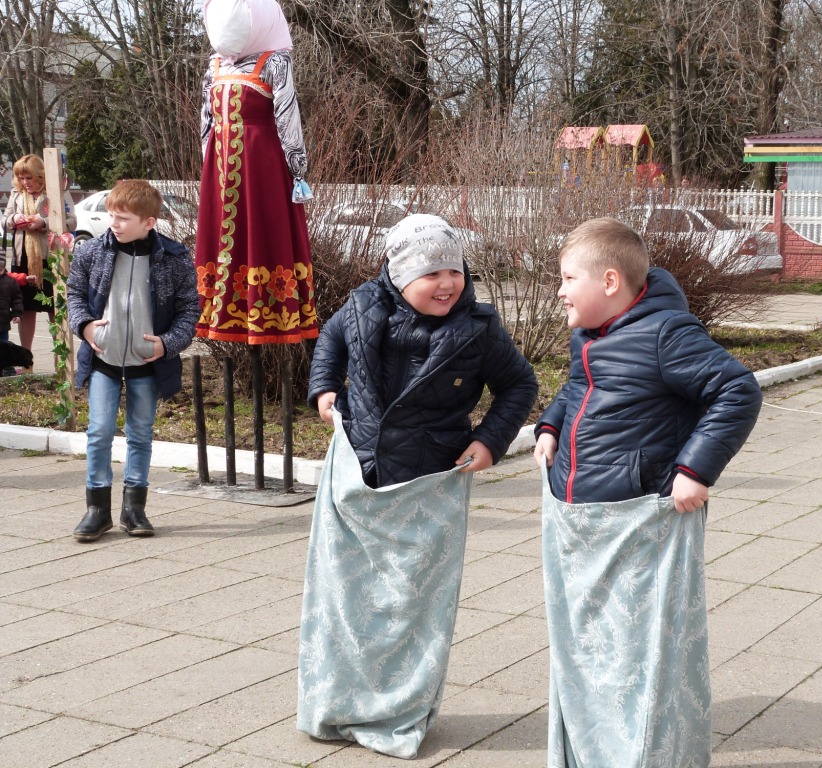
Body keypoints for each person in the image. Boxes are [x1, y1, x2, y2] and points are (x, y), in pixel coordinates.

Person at [298, 214, 537, 758]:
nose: (448, 282)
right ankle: (338, 704)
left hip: (429, 478)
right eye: (432, 272)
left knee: (411, 604)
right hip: (359, 472)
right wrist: (324, 389)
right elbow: (329, 343)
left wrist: (490, 441)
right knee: (348, 600)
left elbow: (519, 383)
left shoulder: (478, 330)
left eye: (454, 269)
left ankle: (399, 710)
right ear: (400, 273)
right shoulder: (361, 308)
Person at [533, 217, 762, 767]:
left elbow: (737, 390)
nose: (559, 290)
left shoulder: (665, 334)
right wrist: (549, 427)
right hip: (585, 518)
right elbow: (577, 390)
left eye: (567, 278)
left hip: (639, 522)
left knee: (637, 653)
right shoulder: (589, 335)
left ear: (609, 282)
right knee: (590, 648)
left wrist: (695, 469)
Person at [66, 180, 200, 542]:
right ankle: (97, 510)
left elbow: (190, 309)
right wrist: (86, 326)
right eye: (111, 215)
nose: (114, 223)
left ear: (149, 222)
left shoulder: (174, 258)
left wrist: (167, 343)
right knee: (99, 434)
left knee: (140, 435)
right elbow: (74, 295)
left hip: (148, 363)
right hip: (103, 360)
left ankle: (134, 509)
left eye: (123, 218)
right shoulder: (91, 252)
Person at [194, 0, 318, 344]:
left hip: (262, 166)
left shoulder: (275, 62)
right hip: (220, 169)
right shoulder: (214, 64)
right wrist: (208, 168)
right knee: (222, 240)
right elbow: (206, 121)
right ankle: (226, 315)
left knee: (263, 231)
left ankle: (269, 315)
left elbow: (287, 116)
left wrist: (297, 168)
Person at [2, 154, 77, 358]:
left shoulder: (58, 190)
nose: (25, 183)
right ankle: (27, 360)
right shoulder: (17, 194)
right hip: (23, 260)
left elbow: (71, 221)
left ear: (41, 176)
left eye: (29, 178)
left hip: (51, 258)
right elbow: (5, 221)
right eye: (21, 178)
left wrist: (43, 223)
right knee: (26, 309)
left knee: (55, 308)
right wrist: (15, 219)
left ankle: (61, 360)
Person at [0, 256, 24, 375]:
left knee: (5, 346)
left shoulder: (10, 282)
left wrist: (17, 314)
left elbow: (17, 300)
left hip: (3, 323)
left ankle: (8, 369)